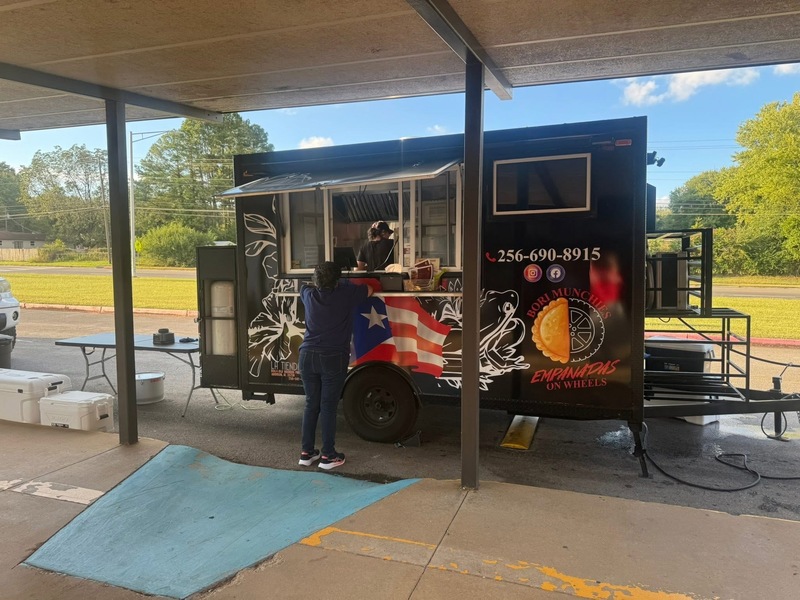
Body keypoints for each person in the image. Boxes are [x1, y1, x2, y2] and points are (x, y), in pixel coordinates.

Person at [298, 261, 373, 470]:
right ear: (338, 280)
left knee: (311, 404)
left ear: (316, 280)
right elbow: (371, 289)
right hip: (333, 356)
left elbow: (302, 286)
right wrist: (346, 284)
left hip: (307, 355)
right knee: (328, 406)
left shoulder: (309, 295)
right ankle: (328, 456)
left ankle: (306, 453)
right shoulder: (346, 295)